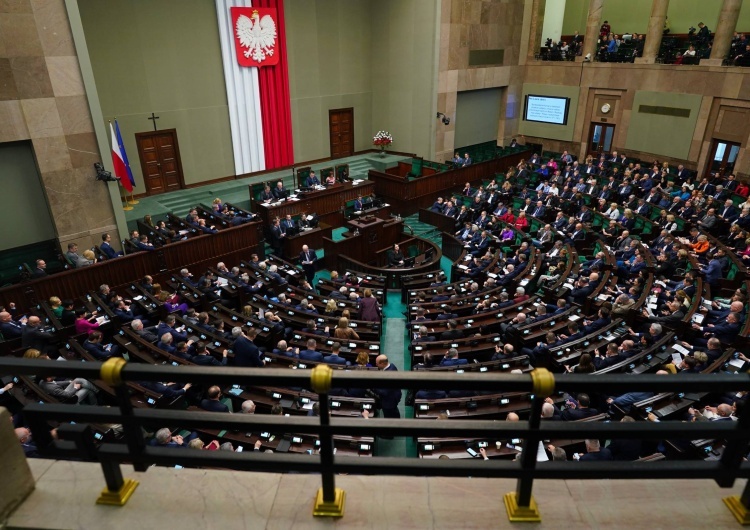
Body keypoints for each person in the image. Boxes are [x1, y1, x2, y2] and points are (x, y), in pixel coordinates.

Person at [374, 354, 403, 420]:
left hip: (389, 401)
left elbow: (384, 392)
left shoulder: (388, 375)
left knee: (389, 416)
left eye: (377, 363)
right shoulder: (392, 366)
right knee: (395, 412)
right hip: (395, 395)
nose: (376, 365)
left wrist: (374, 387)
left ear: (382, 363)